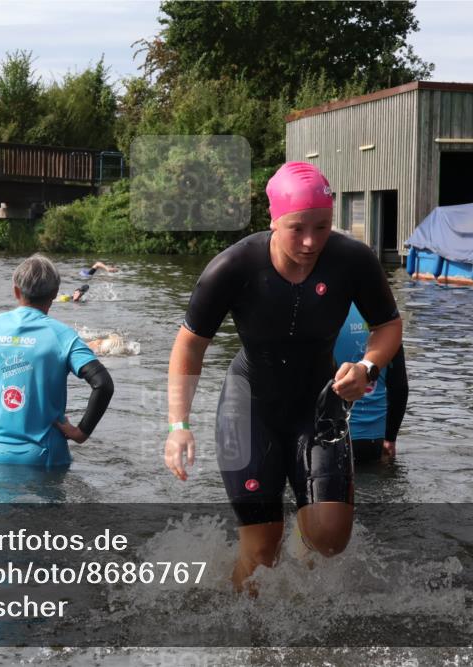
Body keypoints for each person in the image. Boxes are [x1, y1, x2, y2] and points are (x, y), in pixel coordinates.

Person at [163, 161, 403, 590]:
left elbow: (388, 325)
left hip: (319, 404)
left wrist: (368, 366)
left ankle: (300, 555)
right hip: (251, 406)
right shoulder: (234, 266)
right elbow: (190, 343)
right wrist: (179, 425)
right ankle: (249, 629)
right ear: (273, 220)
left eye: (323, 226)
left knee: (331, 538)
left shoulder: (352, 260)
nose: (311, 242)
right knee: (260, 555)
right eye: (297, 228)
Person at [0, 254, 114, 467]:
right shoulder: (63, 335)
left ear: (15, 291)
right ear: (55, 294)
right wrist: (81, 432)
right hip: (46, 457)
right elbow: (103, 384)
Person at [333, 303, 408, 464]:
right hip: (375, 441)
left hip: (332, 438)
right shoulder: (386, 318)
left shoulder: (327, 308)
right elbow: (399, 387)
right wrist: (390, 439)